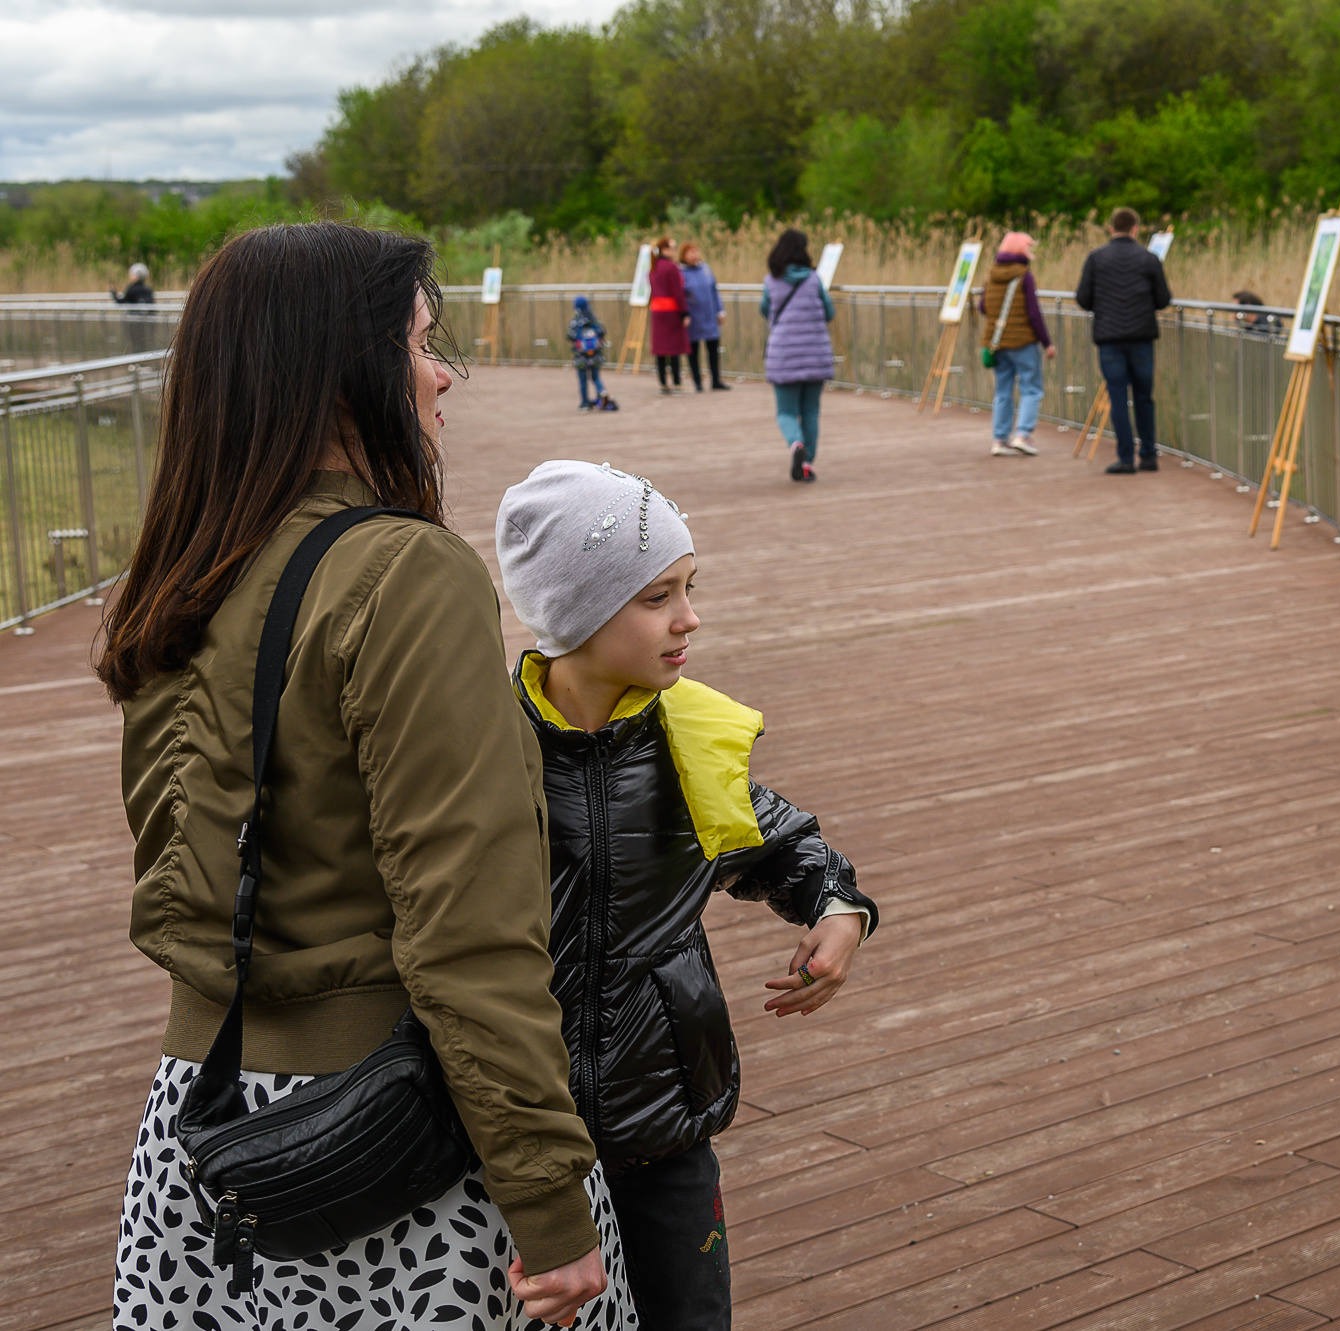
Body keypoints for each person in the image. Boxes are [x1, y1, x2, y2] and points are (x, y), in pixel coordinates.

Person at [94, 222, 627, 1330]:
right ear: (338, 375)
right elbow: (467, 922)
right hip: (390, 1144)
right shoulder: (401, 572)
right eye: (421, 344)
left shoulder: (187, 571)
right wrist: (544, 1193)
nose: (438, 377)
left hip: (204, 1133)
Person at [495, 459, 878, 1329]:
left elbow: (783, 842)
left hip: (662, 1125)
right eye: (657, 596)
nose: (689, 618)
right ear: (579, 610)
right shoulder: (485, 744)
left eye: (688, 587)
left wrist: (838, 907)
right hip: (516, 1139)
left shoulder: (684, 735)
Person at [1074, 206, 1172, 474]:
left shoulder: (1096, 258)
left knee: (1118, 398)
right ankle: (1149, 455)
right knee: (1144, 397)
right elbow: (1164, 299)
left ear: (1110, 229)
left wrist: (1104, 306)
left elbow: (1082, 298)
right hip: (1141, 338)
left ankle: (1126, 458)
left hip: (1109, 338)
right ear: (1135, 229)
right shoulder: (1149, 258)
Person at [760, 229, 834, 483]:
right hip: (815, 352)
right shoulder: (814, 279)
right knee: (811, 411)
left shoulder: (771, 280)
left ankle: (795, 445)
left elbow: (765, 309)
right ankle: (808, 465)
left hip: (784, 354)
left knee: (786, 412)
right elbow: (829, 311)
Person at [974, 230, 1054, 457]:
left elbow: (983, 308)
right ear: (1021, 250)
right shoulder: (1024, 276)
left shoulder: (991, 275)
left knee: (1002, 391)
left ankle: (999, 440)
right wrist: (1047, 342)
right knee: (1031, 389)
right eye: (1028, 247)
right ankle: (1023, 434)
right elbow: (1033, 313)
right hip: (1023, 342)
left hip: (996, 343)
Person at [679, 241, 728, 391]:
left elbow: (714, 290)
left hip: (709, 315)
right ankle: (697, 381)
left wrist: (720, 310)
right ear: (684, 255)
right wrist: (684, 314)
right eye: (691, 252)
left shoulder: (706, 269)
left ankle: (716, 380)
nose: (694, 255)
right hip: (693, 317)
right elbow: (680, 295)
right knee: (693, 351)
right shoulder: (681, 272)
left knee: (713, 348)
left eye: (696, 251)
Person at [649, 237, 691, 394]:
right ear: (665, 250)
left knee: (660, 350)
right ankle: (677, 383)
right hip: (672, 311)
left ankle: (662, 383)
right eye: (672, 248)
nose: (674, 251)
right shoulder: (671, 267)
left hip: (657, 312)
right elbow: (678, 293)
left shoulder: (654, 266)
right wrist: (684, 312)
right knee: (674, 349)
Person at [570, 295, 614, 411]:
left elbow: (570, 335)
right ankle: (602, 392)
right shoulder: (593, 319)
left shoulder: (576, 321)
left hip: (581, 357)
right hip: (595, 355)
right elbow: (602, 331)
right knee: (595, 377)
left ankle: (585, 403)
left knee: (583, 379)